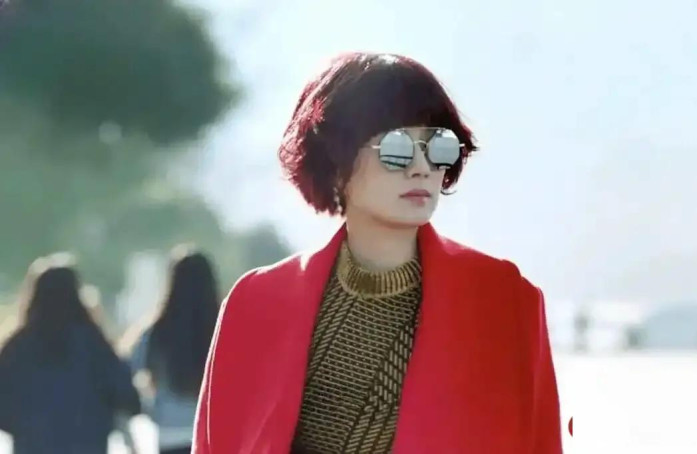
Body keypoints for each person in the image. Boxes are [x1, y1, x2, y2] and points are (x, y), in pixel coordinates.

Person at [193, 52, 563, 453]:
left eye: (438, 146)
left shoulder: (504, 300)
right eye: (397, 147)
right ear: (335, 162)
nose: (421, 167)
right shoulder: (256, 303)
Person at [0, 253, 140, 454]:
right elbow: (129, 399)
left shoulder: (16, 347)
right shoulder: (94, 343)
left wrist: (26, 427)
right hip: (87, 445)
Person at [122, 245, 219, 454]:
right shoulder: (225, 328)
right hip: (215, 435)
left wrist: (149, 408)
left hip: (170, 435)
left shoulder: (156, 332)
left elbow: (122, 373)